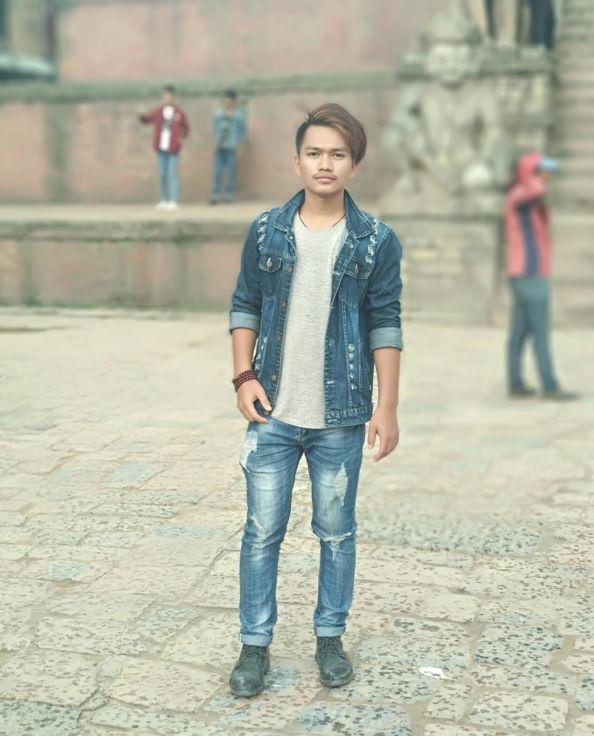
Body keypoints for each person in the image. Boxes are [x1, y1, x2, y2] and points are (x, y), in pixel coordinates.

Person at [227, 103, 403, 697]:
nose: (325, 164)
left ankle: (330, 637)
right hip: (273, 412)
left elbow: (386, 322)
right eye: (314, 152)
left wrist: (387, 407)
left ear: (354, 164)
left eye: (337, 154)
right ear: (297, 160)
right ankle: (254, 645)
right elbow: (245, 303)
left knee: (336, 532)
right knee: (261, 532)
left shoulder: (375, 240)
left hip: (341, 416)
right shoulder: (267, 231)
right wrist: (243, 376)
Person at [505, 152, 577, 401]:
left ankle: (515, 383)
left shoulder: (530, 201)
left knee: (520, 332)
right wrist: (532, 177)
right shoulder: (521, 196)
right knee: (540, 333)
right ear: (531, 173)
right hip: (530, 275)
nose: (548, 176)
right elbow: (535, 189)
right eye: (543, 171)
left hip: (526, 274)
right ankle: (550, 385)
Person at [138, 85, 190, 210]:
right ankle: (164, 199)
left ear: (173, 97)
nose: (166, 98)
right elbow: (147, 120)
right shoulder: (158, 111)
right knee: (162, 174)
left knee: (172, 174)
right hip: (161, 148)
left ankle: (174, 200)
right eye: (165, 96)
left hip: (173, 149)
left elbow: (186, 128)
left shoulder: (179, 113)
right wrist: (141, 115)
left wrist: (181, 134)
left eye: (169, 96)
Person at [211, 90, 246, 204]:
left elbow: (242, 133)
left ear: (233, 101)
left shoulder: (238, 116)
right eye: (225, 99)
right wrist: (214, 143)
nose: (227, 102)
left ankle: (229, 195)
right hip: (220, 147)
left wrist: (240, 147)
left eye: (229, 100)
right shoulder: (219, 114)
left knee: (231, 173)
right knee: (217, 172)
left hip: (231, 147)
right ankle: (215, 195)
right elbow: (215, 130)